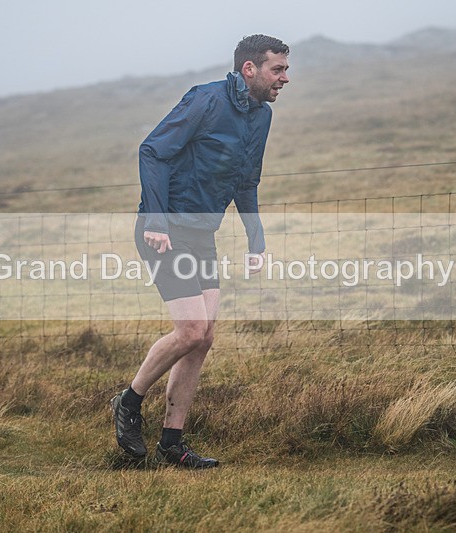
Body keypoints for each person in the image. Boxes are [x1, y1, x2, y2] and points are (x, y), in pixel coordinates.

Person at [111, 34, 290, 468]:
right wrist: (155, 220)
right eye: (277, 69)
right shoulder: (205, 100)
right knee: (190, 330)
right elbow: (152, 151)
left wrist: (256, 241)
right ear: (250, 69)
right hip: (164, 230)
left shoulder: (261, 116)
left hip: (200, 235)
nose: (285, 77)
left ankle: (172, 444)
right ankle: (129, 402)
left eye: (285, 69)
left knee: (203, 338)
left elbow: (247, 181)